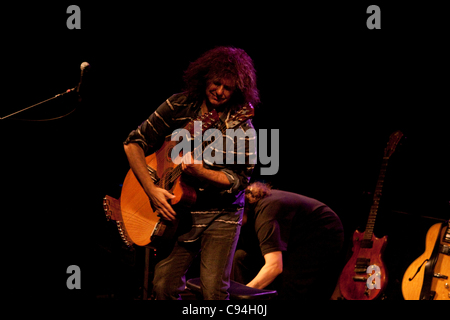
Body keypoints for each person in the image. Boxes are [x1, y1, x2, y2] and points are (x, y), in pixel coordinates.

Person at [123, 46, 259, 300]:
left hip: (222, 213)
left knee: (213, 292)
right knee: (163, 286)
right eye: (216, 83)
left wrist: (201, 172)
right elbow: (133, 143)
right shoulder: (179, 104)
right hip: (180, 212)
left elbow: (239, 181)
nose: (219, 92)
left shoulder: (242, 126)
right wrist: (151, 190)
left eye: (227, 88)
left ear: (237, 91)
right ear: (205, 78)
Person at [232, 182, 344, 300]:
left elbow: (274, 266)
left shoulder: (266, 216)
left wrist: (243, 294)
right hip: (293, 236)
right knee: (241, 257)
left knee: (287, 284)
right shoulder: (249, 212)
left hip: (322, 233)